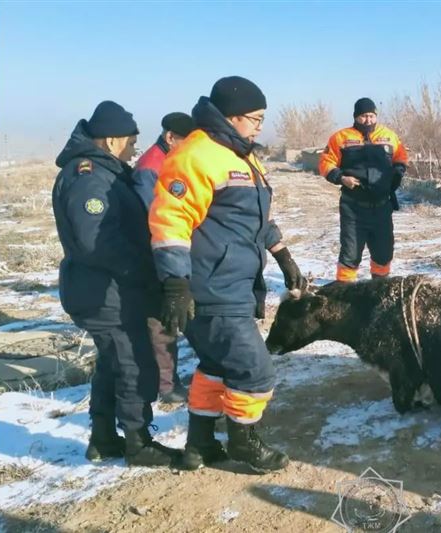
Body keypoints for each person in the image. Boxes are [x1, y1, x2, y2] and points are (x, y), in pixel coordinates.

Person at [149, 76, 307, 474]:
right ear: (231, 117)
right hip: (210, 286)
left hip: (235, 282)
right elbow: (171, 219)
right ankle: (243, 441)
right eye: (255, 118)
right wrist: (175, 282)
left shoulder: (239, 155)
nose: (259, 126)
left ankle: (199, 444)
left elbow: (252, 217)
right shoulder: (196, 155)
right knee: (256, 371)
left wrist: (282, 254)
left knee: (217, 366)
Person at [52, 101, 181, 467]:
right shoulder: (88, 175)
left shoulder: (105, 171)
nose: (134, 149)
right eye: (130, 141)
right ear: (110, 140)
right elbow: (96, 241)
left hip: (107, 288)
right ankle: (138, 443)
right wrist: (141, 272)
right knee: (133, 364)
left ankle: (103, 438)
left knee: (112, 363)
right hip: (105, 290)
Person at [133, 112, 196, 404]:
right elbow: (156, 218)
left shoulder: (169, 162)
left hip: (174, 254)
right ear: (171, 137)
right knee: (163, 323)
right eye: (187, 142)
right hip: (158, 259)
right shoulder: (151, 168)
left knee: (175, 318)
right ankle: (167, 386)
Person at [318, 98, 408, 282]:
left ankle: (379, 287)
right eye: (363, 116)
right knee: (350, 255)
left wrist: (397, 173)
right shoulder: (341, 137)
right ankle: (345, 291)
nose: (368, 120)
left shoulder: (389, 136)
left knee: (383, 253)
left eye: (371, 116)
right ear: (356, 117)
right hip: (353, 208)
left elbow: (401, 157)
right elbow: (325, 163)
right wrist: (341, 178)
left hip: (382, 206)